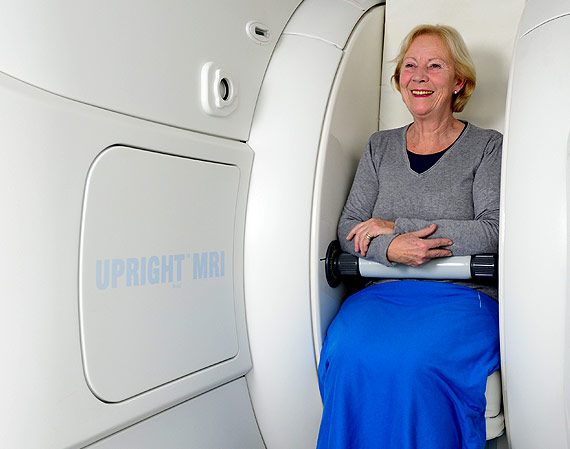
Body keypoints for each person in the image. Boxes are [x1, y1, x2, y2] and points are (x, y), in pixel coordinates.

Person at [317, 24, 502, 449]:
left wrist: (394, 226)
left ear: (459, 82)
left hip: (463, 299)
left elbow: (492, 231)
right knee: (345, 352)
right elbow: (350, 228)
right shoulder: (379, 148)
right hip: (384, 292)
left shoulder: (487, 147)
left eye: (435, 66)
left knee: (416, 362)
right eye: (410, 66)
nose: (419, 76)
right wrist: (391, 247)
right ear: (400, 79)